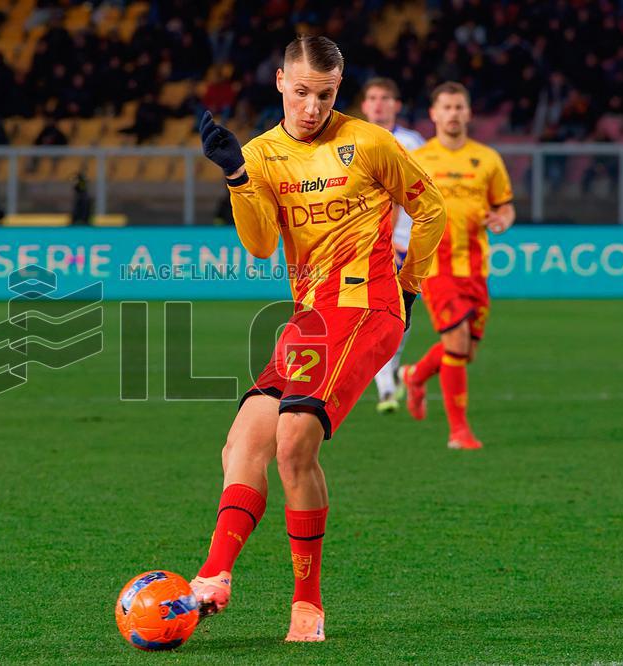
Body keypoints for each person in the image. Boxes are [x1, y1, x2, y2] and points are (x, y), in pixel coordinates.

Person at [192, 36, 445, 642]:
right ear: (280, 81)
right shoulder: (260, 154)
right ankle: (214, 577)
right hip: (311, 316)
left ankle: (308, 606)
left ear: (339, 89)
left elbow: (432, 207)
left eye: (325, 95)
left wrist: (408, 290)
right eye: (301, 92)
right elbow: (258, 245)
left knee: (292, 443)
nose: (311, 107)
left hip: (367, 306)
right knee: (243, 441)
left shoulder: (369, 144)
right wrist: (236, 175)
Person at [400, 82, 515, 451]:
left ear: (468, 113)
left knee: (465, 351)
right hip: (435, 265)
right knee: (456, 341)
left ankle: (415, 376)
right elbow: (395, 202)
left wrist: (503, 220)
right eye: (446, 107)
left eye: (459, 107)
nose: (452, 113)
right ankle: (458, 432)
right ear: (433, 114)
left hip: (476, 267)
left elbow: (504, 205)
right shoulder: (420, 159)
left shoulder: (488, 159)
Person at [359, 77, 426, 414]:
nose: (379, 103)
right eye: (373, 97)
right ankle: (387, 385)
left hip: (406, 244)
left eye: (386, 97)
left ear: (397, 105)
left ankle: (391, 373)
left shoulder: (414, 143)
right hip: (366, 243)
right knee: (377, 314)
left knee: (401, 315)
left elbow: (419, 196)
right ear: (364, 105)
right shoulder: (352, 140)